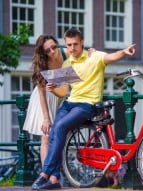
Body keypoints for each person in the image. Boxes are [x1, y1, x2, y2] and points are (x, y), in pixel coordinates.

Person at [31, 28, 136, 190]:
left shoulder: (95, 57)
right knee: (53, 132)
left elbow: (111, 56)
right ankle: (54, 179)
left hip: (86, 105)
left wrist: (124, 51)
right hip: (69, 103)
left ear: (82, 43)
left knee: (60, 127)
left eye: (75, 44)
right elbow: (64, 91)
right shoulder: (67, 63)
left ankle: (44, 174)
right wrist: (52, 89)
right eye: (69, 45)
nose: (72, 48)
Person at [23, 35, 95, 166]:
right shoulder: (42, 63)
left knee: (58, 136)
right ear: (43, 52)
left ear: (58, 45)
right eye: (47, 50)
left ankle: (56, 175)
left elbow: (82, 51)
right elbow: (41, 91)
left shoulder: (66, 52)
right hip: (44, 99)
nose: (52, 51)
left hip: (60, 98)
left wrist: (92, 51)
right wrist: (46, 118)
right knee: (46, 137)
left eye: (54, 47)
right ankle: (46, 174)